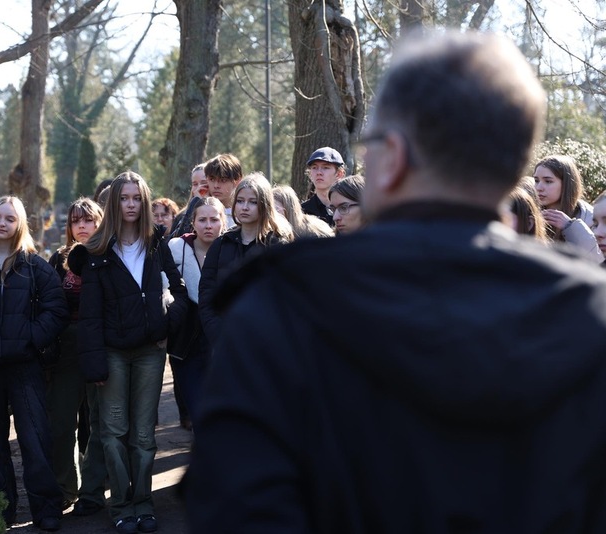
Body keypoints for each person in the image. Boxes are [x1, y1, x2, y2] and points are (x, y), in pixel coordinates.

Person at [186, 30, 606, 532]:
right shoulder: (589, 314)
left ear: (394, 155)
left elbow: (234, 506)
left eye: (370, 145)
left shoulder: (285, 306)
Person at [77, 172, 188, 534]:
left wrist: (165, 325)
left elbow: (180, 291)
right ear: (114, 202)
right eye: (124, 198)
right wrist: (94, 363)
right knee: (113, 433)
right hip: (111, 352)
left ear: (144, 202)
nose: (130, 204)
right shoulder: (97, 249)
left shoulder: (156, 242)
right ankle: (121, 505)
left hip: (149, 352)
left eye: (136, 198)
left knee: (143, 435)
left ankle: (143, 502)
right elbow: (89, 315)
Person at [0, 196, 69, 531]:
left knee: (35, 440)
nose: (2, 224)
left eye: (9, 218)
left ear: (20, 224)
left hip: (25, 367)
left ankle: (46, 509)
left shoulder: (35, 266)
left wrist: (30, 338)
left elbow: (57, 310)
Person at [46, 198, 105, 513]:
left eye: (88, 220)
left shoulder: (109, 254)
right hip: (66, 348)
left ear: (100, 222)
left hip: (102, 345)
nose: (82, 226)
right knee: (61, 423)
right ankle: (65, 488)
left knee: (98, 423)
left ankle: (94, 489)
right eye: (75, 220)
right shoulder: (58, 259)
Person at [198, 172, 292, 347]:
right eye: (240, 201)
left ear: (264, 205)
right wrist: (218, 335)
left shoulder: (277, 245)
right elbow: (207, 294)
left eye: (253, 202)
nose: (245, 207)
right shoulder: (221, 244)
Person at [166, 197, 227, 428]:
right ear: (193, 222)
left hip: (222, 342)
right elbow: (164, 288)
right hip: (186, 342)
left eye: (214, 219)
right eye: (202, 220)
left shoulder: (232, 249)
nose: (208, 225)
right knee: (196, 408)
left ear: (223, 222)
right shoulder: (176, 249)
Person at [533, 154, 602, 262]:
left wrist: (570, 227)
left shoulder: (591, 218)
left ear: (566, 184)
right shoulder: (530, 213)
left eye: (548, 181)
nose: (539, 188)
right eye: (536, 180)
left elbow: (598, 261)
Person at [300, 146, 346, 226]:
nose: (319, 172)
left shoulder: (349, 208)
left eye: (325, 167)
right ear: (310, 174)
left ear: (339, 174)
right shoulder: (301, 212)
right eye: (314, 167)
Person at [170, 163, 210, 238]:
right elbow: (178, 238)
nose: (199, 188)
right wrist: (195, 202)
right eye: (195, 184)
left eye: (204, 183)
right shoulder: (182, 216)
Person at [204, 153, 243, 229]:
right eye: (212, 179)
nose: (216, 185)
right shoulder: (199, 212)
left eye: (223, 180)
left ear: (237, 181)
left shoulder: (244, 214)